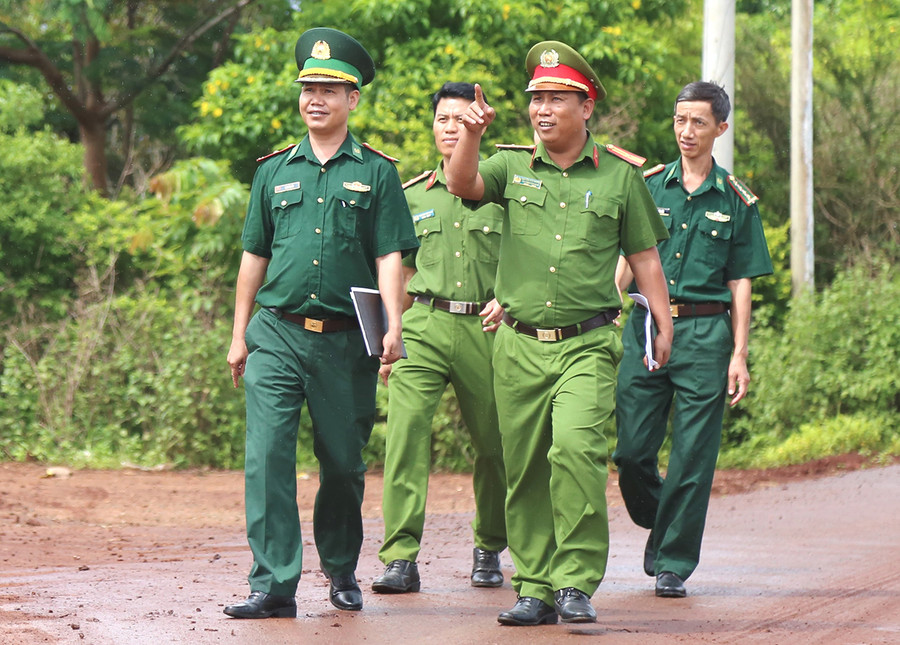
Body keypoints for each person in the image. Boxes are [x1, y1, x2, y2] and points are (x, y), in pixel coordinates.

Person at [445, 41, 674, 626]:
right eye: (536, 99)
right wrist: (470, 131)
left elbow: (644, 255)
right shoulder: (509, 164)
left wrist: (663, 318)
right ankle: (534, 586)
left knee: (575, 452)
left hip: (588, 344)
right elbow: (461, 184)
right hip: (517, 345)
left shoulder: (621, 177)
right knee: (523, 467)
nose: (543, 110)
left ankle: (575, 582)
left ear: (587, 105)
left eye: (556, 99)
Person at [223, 27, 418, 618]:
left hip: (344, 342)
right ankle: (274, 583)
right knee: (267, 458)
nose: (317, 98)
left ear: (353, 99)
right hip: (276, 333)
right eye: (309, 87)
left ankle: (339, 569)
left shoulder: (378, 173)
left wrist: (392, 325)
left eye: (331, 89)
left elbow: (390, 255)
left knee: (342, 462)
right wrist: (238, 334)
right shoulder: (272, 171)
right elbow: (252, 256)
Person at [613, 81, 773, 599]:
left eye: (698, 122)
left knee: (692, 456)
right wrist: (602, 308)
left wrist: (739, 354)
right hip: (645, 325)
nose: (686, 131)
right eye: (680, 120)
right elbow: (628, 259)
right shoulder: (649, 184)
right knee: (632, 452)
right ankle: (665, 521)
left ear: (720, 129)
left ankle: (672, 562)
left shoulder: (736, 199)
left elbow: (740, 280)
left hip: (706, 332)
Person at [371, 82, 507, 595]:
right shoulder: (411, 197)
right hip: (422, 326)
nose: (451, 127)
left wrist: (510, 298)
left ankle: (490, 544)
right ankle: (401, 557)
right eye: (443, 119)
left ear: (478, 123)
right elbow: (399, 274)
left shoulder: (502, 190)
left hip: (486, 329)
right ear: (433, 127)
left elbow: (529, 258)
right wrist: (390, 334)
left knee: (495, 444)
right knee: (405, 436)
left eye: (460, 118)